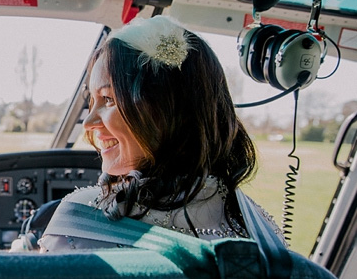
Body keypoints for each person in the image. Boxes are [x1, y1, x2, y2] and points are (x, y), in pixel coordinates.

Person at [38, 15, 284, 252]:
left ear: (169, 109)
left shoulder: (77, 222)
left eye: (109, 99)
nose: (89, 122)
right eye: (92, 101)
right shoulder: (263, 232)